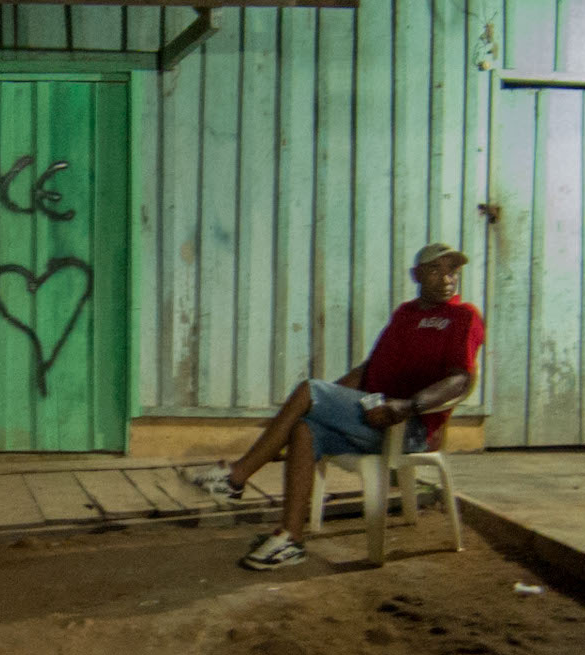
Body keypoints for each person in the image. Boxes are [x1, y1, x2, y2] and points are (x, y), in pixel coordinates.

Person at [189, 243, 484, 570]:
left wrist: (407, 406)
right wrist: (322, 402)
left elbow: (460, 380)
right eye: (435, 269)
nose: (447, 278)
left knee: (310, 390)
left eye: (452, 270)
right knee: (304, 428)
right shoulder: (405, 314)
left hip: (413, 427)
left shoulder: (463, 316)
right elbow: (369, 370)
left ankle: (236, 478)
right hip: (375, 415)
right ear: (416, 275)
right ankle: (291, 539)